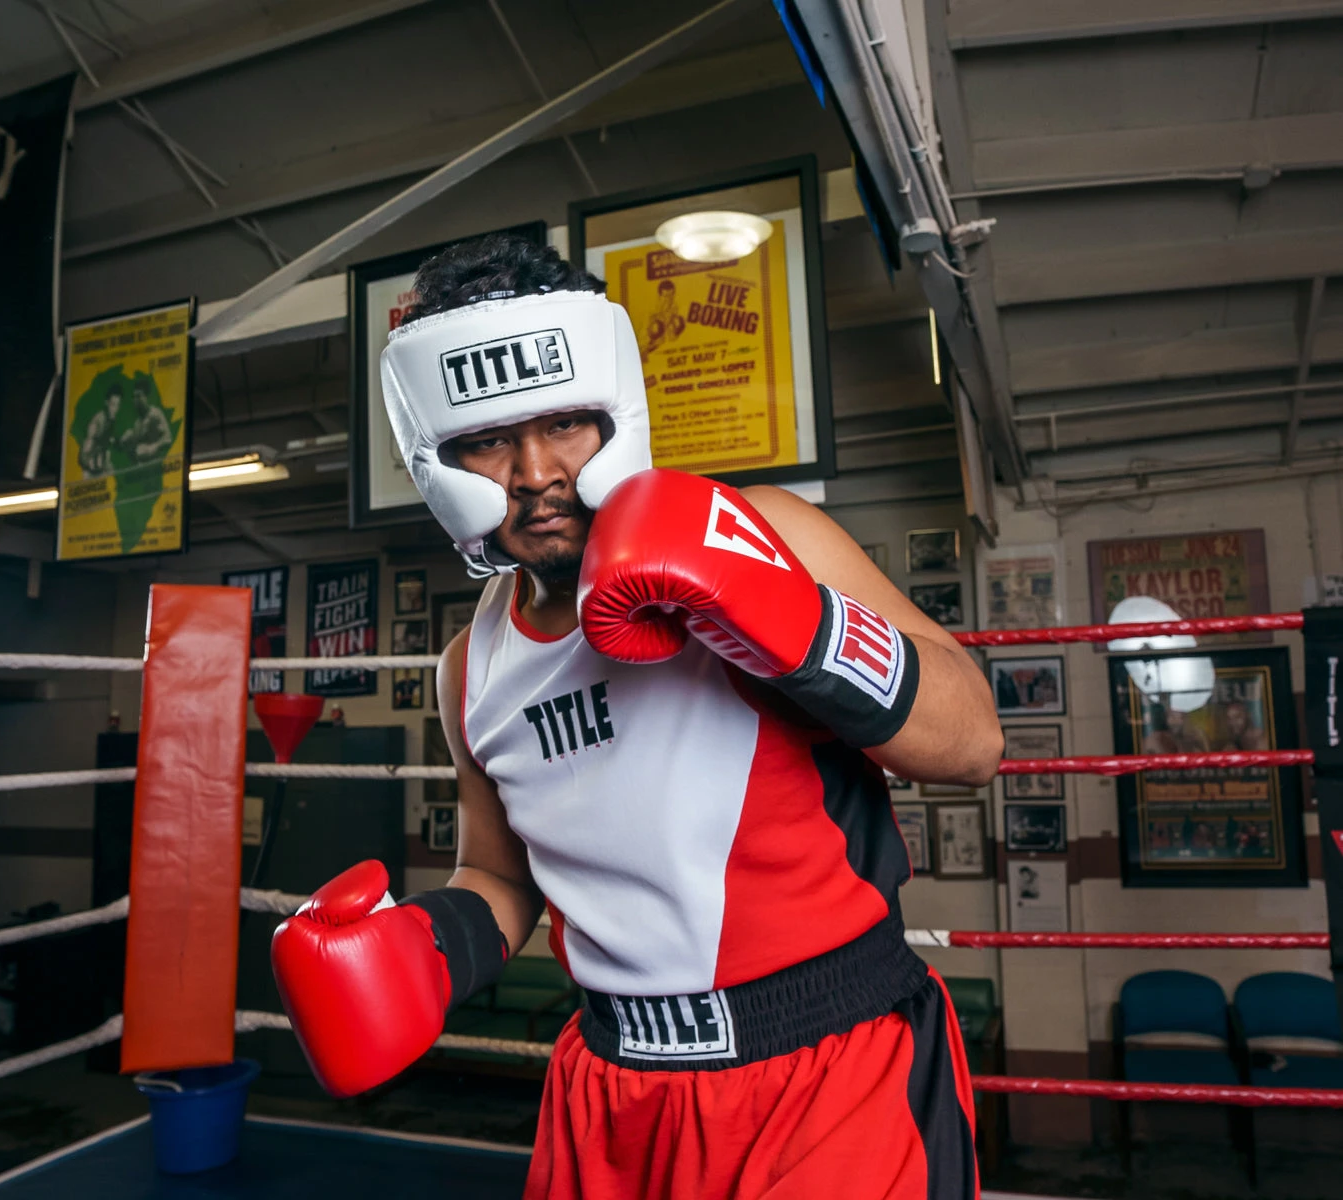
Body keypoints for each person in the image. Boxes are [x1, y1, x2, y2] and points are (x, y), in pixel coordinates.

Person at [270, 236, 1003, 1199]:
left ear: (615, 411)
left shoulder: (764, 533)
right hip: (613, 1088)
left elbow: (976, 740)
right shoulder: (470, 669)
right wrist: (424, 948)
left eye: (567, 421)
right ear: (437, 456)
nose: (534, 472)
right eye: (488, 439)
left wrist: (792, 625)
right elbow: (499, 873)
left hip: (831, 1068)